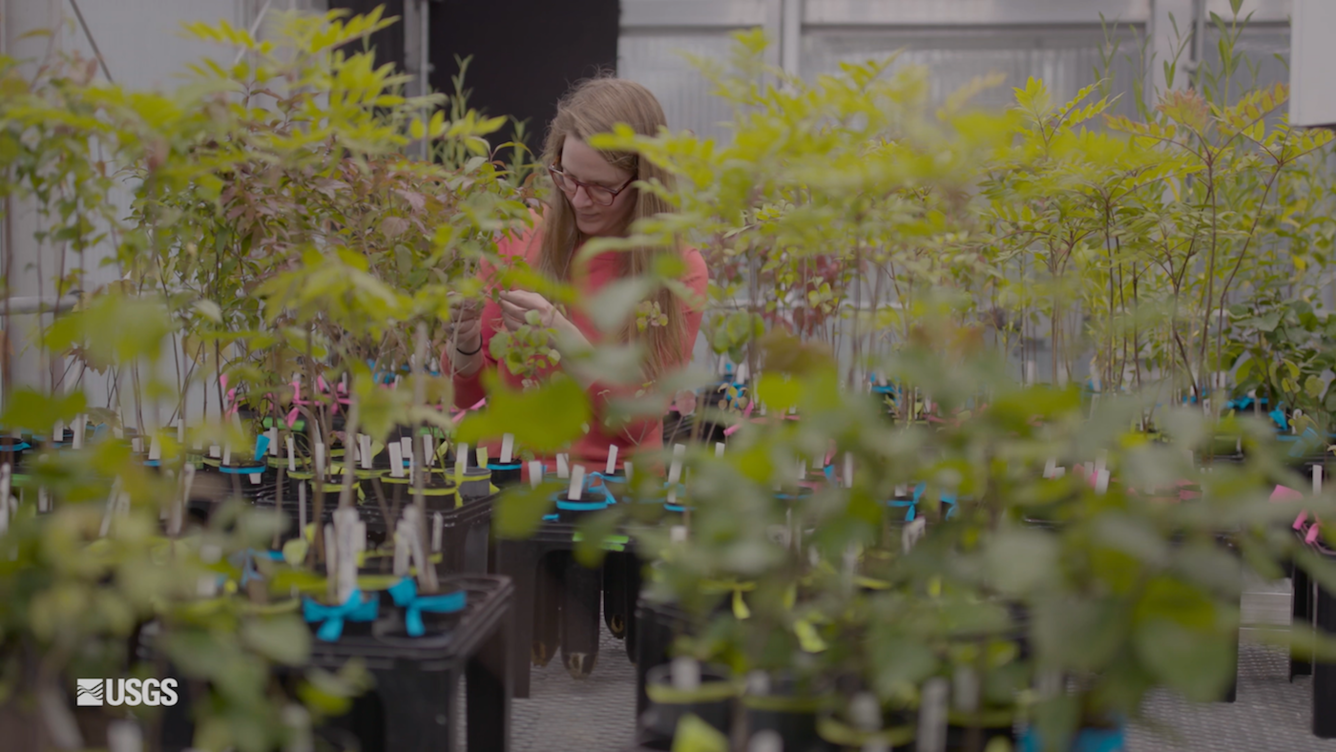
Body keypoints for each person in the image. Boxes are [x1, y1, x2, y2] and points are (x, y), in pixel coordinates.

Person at [445, 77, 709, 472]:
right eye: (568, 177)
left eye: (602, 187)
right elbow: (466, 395)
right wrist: (464, 342)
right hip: (507, 477)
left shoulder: (677, 269)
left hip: (613, 484)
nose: (580, 199)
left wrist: (566, 340)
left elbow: (637, 424)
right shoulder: (520, 236)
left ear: (644, 183)